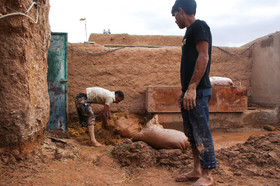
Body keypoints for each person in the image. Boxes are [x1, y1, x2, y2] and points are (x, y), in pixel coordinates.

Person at [171, 0, 217, 185]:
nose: (175, 20)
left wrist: (192, 88)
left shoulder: (200, 26)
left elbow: (203, 56)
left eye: (174, 16)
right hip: (189, 91)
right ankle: (197, 170)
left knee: (201, 131)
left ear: (181, 11)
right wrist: (184, 90)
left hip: (198, 91)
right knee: (191, 134)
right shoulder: (188, 33)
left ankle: (207, 176)